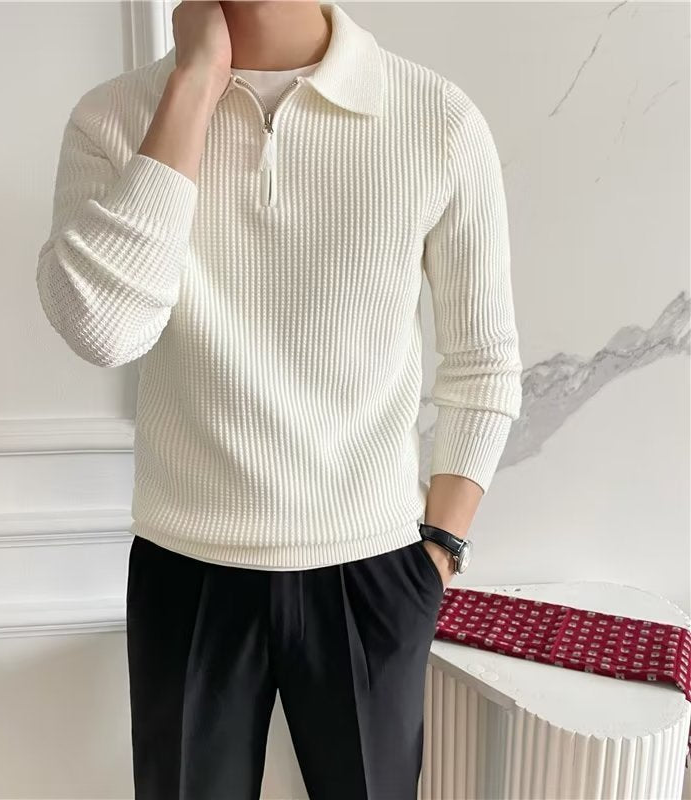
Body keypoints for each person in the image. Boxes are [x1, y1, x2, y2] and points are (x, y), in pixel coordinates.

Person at [35, 0, 523, 797]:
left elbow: (484, 363)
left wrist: (440, 550)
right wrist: (195, 82)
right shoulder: (115, 117)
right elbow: (105, 330)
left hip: (373, 566)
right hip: (187, 564)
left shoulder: (436, 120)